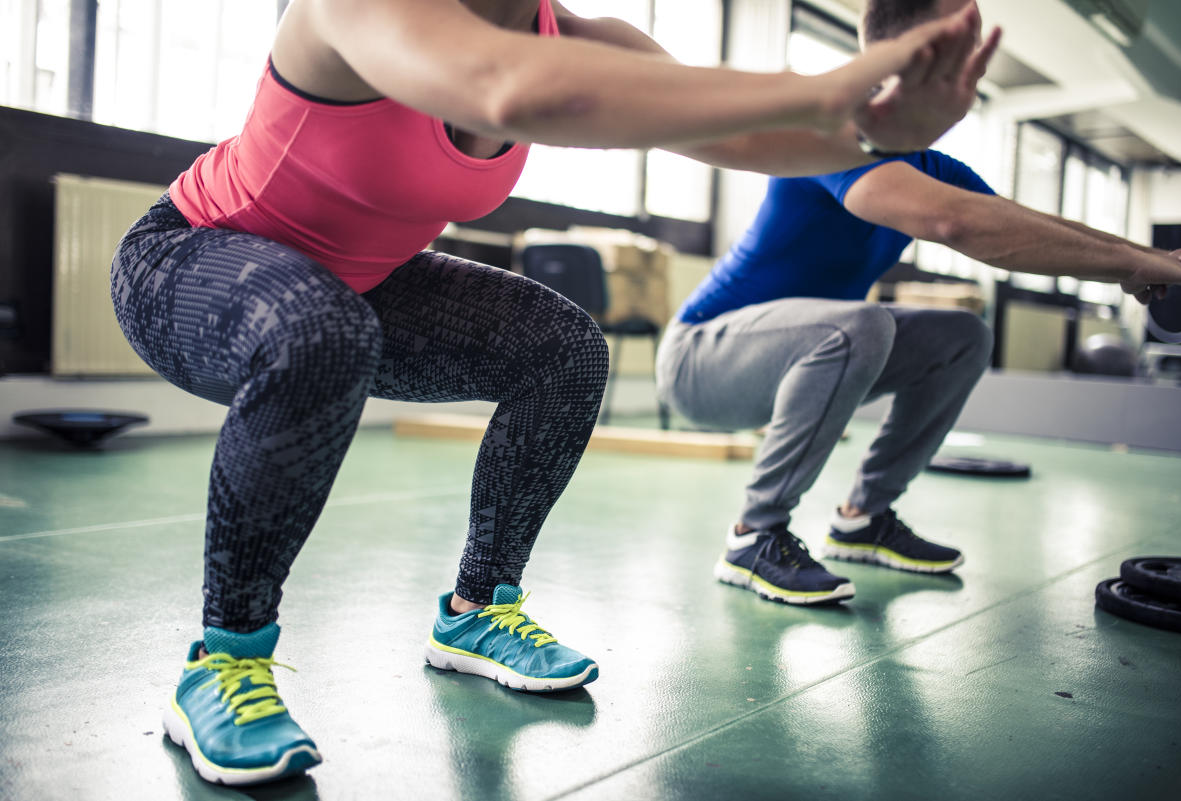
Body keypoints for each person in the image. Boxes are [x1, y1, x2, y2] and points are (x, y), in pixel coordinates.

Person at [111, 0, 999, 786]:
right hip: (188, 259)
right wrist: (843, 82)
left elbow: (735, 135)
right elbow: (504, 87)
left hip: (357, 283)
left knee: (564, 349)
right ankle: (222, 660)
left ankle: (477, 610)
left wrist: (882, 130)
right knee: (320, 333)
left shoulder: (572, 35)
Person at [655, 0, 1181, 609]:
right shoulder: (826, 136)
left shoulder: (930, 167)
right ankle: (752, 536)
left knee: (962, 336)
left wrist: (1145, 259)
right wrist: (1143, 264)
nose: (971, 84)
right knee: (859, 325)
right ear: (919, 63)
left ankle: (863, 519)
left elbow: (1018, 228)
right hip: (699, 358)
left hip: (794, 351)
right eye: (962, 61)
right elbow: (953, 221)